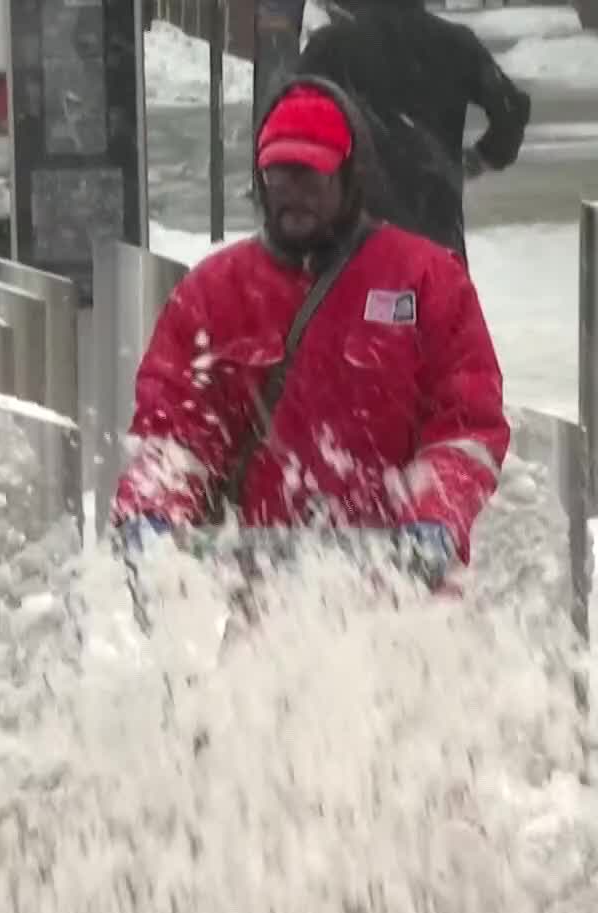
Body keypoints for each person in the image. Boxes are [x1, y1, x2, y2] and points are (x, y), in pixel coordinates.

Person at [110, 76, 510, 595]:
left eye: (312, 176)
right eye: (280, 176)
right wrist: (152, 507)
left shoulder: (426, 280)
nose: (293, 193)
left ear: (351, 177)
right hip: (268, 595)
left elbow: (466, 424)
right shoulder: (212, 295)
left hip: (407, 593)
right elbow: (176, 429)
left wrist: (436, 514)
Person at [294, 0, 532, 262]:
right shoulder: (454, 42)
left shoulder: (330, 46)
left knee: (358, 298)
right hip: (437, 228)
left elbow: (292, 121)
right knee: (438, 298)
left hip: (356, 234)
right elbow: (511, 110)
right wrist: (485, 156)